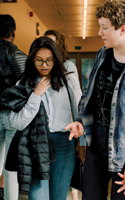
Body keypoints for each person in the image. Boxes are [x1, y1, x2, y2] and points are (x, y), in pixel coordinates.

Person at [65, 0, 125, 199]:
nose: (100, 32)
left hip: (123, 154)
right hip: (96, 147)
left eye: (104, 27)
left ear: (123, 29)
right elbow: (90, 96)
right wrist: (80, 121)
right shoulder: (102, 55)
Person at [2, 36, 85, 200]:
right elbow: (18, 122)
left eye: (49, 60)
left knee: (58, 197)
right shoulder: (24, 82)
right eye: (39, 60)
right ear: (32, 59)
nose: (44, 65)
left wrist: (82, 146)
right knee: (37, 197)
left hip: (63, 144)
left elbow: (80, 116)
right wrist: (35, 95)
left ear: (56, 59)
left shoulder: (69, 81)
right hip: (35, 144)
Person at [44, 29, 81, 200]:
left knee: (57, 193)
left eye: (52, 43)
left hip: (62, 138)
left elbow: (78, 102)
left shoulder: (68, 67)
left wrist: (82, 138)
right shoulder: (38, 71)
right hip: (41, 139)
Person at [0, 14, 27, 200]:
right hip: (12, 114)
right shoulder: (17, 55)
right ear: (13, 32)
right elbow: (27, 85)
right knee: (10, 168)